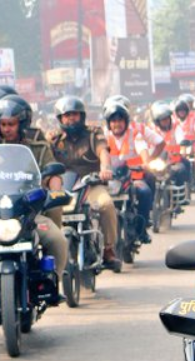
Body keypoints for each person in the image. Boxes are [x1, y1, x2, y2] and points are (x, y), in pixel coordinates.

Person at [0, 95, 69, 302]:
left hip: (31, 214)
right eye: (3, 124)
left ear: (22, 124)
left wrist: (55, 192)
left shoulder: (38, 147)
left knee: (58, 240)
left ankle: (52, 282)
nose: (7, 129)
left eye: (11, 124)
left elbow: (53, 174)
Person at [49, 95, 121, 271]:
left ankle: (109, 250)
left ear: (81, 116)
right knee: (48, 211)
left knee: (106, 205)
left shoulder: (93, 133)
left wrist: (105, 168)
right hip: (64, 186)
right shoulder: (53, 140)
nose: (71, 118)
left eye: (75, 114)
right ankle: (49, 253)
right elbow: (45, 161)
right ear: (60, 118)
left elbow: (103, 151)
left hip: (91, 183)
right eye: (67, 115)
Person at [102, 96, 162, 244]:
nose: (117, 124)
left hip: (134, 178)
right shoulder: (102, 136)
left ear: (126, 120)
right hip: (111, 180)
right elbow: (97, 154)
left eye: (120, 120)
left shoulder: (135, 134)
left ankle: (142, 229)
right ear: (109, 123)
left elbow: (142, 148)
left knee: (145, 191)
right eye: (113, 121)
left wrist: (147, 162)